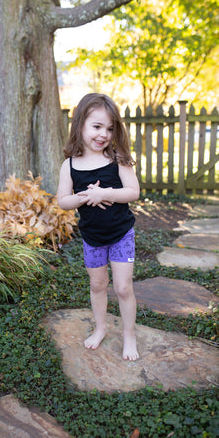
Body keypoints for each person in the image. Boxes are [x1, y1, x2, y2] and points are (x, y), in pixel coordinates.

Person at [57, 93, 140, 361]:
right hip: (92, 238)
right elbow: (63, 201)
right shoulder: (70, 165)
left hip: (120, 234)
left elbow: (133, 192)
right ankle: (101, 328)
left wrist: (104, 193)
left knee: (123, 288)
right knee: (97, 285)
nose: (104, 134)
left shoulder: (118, 158)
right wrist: (86, 196)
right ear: (80, 124)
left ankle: (129, 335)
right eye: (97, 126)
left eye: (109, 128)